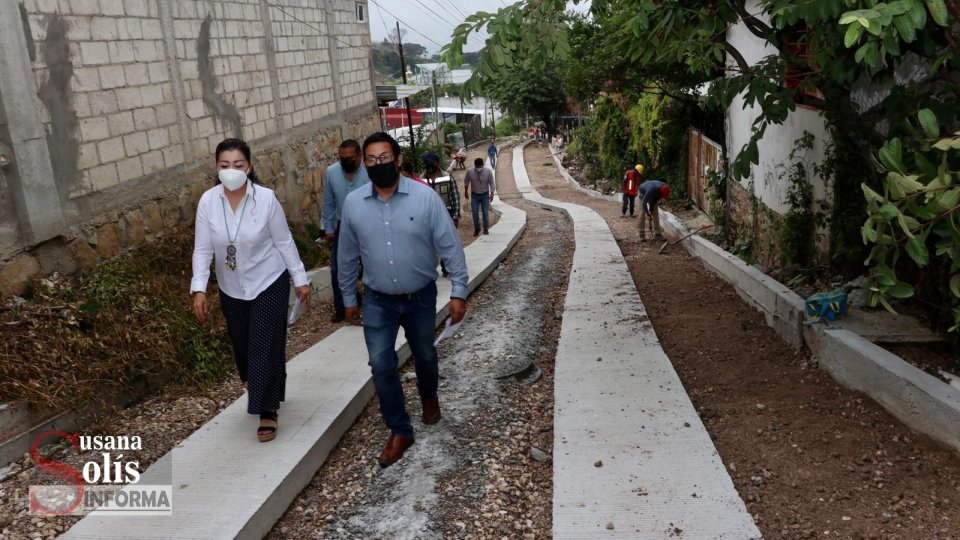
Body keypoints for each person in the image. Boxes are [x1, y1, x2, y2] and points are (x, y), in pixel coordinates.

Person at [337, 132, 469, 467]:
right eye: (371, 159)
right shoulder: (353, 204)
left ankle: (429, 397)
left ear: (397, 160)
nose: (378, 164)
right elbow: (347, 254)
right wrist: (348, 297)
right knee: (381, 364)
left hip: (420, 297)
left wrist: (458, 290)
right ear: (364, 164)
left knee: (424, 353)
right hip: (378, 300)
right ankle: (399, 429)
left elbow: (450, 246)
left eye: (384, 158)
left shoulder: (425, 199)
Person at [191, 138, 312, 443]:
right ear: (216, 168)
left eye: (238, 165)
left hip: (268, 281)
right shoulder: (208, 202)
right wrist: (199, 289)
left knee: (262, 344)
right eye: (224, 165)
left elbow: (283, 241)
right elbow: (203, 250)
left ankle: (266, 409)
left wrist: (300, 279)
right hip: (232, 287)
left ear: (250, 167)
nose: (231, 171)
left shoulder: (266, 199)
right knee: (245, 348)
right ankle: (270, 380)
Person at [322, 140, 370, 322]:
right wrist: (328, 229)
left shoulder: (369, 172)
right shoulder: (332, 172)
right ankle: (342, 306)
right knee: (338, 269)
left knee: (369, 265)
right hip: (342, 225)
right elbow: (328, 203)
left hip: (367, 223)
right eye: (342, 159)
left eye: (350, 158)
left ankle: (371, 303)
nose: (346, 162)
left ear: (359, 156)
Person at [423, 152, 460, 228]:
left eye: (431, 163)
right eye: (427, 163)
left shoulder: (447, 178)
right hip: (427, 217)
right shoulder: (421, 180)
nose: (429, 165)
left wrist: (455, 217)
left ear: (438, 164)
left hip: (446, 214)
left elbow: (455, 198)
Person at [464, 157, 496, 236]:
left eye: (480, 166)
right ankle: (477, 228)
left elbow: (491, 183)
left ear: (483, 165)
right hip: (474, 195)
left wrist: (492, 194)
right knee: (474, 212)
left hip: (485, 194)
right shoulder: (470, 171)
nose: (478, 168)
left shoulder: (488, 172)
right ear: (475, 165)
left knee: (485, 212)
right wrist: (466, 192)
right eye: (477, 166)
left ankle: (485, 228)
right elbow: (466, 181)